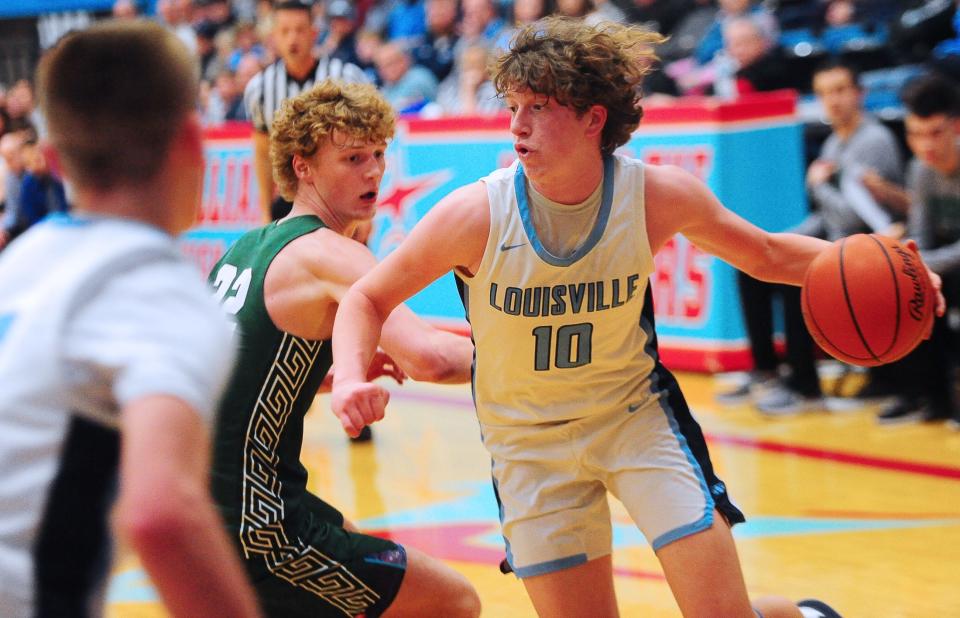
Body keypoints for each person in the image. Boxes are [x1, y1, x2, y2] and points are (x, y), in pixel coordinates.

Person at [331, 17, 923, 617]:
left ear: (594, 118)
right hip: (526, 444)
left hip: (633, 420)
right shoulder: (476, 214)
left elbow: (768, 254)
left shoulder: (654, 195)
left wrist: (899, 271)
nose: (518, 125)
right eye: (514, 106)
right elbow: (366, 298)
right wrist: (351, 375)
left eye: (539, 106)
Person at [0, 21, 261, 617]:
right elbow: (162, 511)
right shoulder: (153, 286)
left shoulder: (25, 260)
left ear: (54, 162)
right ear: (193, 143)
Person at [208, 79, 481, 617]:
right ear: (302, 166)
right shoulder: (327, 252)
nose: (374, 171)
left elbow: (228, 368)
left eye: (379, 154)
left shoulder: (243, 248)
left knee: (360, 574)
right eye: (353, 158)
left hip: (206, 507)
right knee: (453, 602)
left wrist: (327, 372)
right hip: (257, 520)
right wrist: (554, 357)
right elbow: (428, 357)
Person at [876, 72, 960, 425]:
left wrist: (923, 266)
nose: (926, 145)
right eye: (916, 135)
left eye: (936, 133)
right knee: (902, 286)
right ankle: (926, 395)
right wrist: (910, 267)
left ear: (956, 126)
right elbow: (921, 237)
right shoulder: (920, 170)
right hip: (949, 261)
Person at [244, 0, 368, 223]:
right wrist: (265, 210)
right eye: (285, 31)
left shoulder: (347, 77)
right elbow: (263, 152)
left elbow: (366, 146)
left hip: (341, 197)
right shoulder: (260, 88)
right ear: (274, 36)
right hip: (289, 199)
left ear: (314, 33)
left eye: (300, 30)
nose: (293, 39)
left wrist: (366, 210)